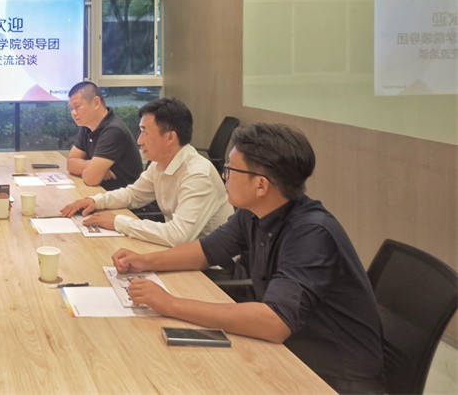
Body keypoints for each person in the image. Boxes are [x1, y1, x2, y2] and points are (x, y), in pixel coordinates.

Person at [111, 123, 385, 394]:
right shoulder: (255, 212)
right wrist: (145, 261)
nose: (224, 176)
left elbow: (274, 322)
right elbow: (205, 251)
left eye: (230, 169)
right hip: (288, 351)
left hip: (332, 375)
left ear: (261, 185)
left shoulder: (311, 234)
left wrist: (170, 304)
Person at [60, 97, 232, 246]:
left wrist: (118, 222)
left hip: (210, 266)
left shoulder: (197, 175)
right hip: (179, 251)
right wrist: (95, 201)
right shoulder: (160, 164)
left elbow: (178, 235)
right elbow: (133, 195)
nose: (139, 141)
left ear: (170, 137)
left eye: (145, 132)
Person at [66, 81, 142, 191]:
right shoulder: (87, 126)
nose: (73, 113)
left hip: (124, 199)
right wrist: (92, 165)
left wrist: (91, 169)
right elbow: (70, 163)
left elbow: (90, 178)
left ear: (96, 102)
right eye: (71, 108)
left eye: (77, 107)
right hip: (102, 193)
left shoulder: (114, 130)